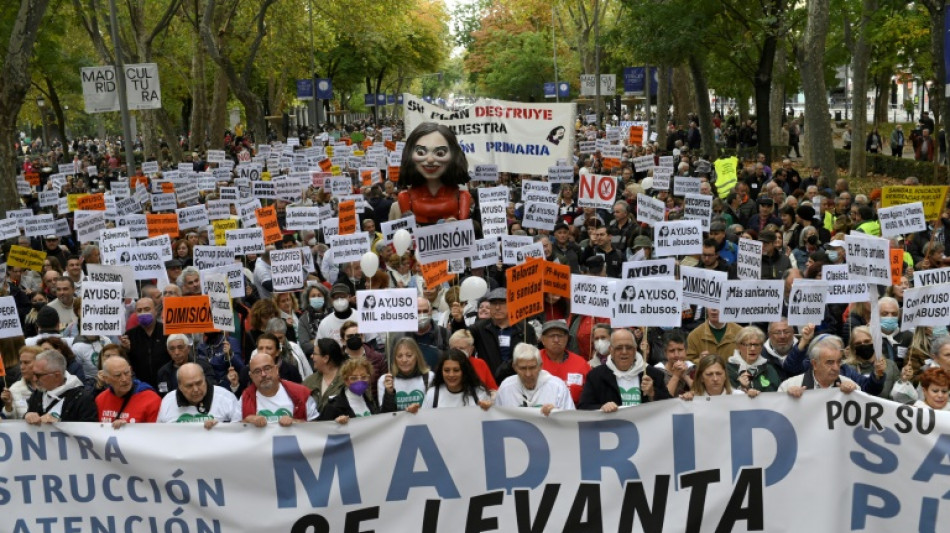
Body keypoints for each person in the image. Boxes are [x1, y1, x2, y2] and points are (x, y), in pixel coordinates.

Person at [394, 122, 472, 224]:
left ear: (453, 155)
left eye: (440, 153)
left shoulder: (462, 195)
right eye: (421, 152)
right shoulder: (404, 196)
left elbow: (465, 228)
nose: (430, 159)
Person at [578, 328, 669, 411]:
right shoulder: (596, 376)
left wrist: (653, 393)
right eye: (619, 348)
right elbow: (583, 408)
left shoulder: (653, 374)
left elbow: (670, 405)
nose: (624, 352)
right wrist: (601, 408)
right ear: (611, 350)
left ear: (635, 349)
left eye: (629, 347)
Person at [468, 287, 538, 383]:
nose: (497, 307)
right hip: (488, 383)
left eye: (502, 303)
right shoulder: (478, 329)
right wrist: (458, 321)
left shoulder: (525, 329)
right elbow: (463, 345)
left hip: (517, 382)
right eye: (493, 303)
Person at [241, 351, 319, 427]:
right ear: (251, 376)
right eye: (257, 371)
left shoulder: (301, 393)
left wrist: (295, 422)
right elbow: (233, 431)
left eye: (267, 368)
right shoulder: (245, 397)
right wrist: (247, 421)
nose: (263, 374)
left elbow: (317, 428)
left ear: (276, 369)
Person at [495, 343, 575, 415]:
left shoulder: (558, 387)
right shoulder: (506, 388)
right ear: (514, 367)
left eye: (532, 368)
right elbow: (496, 419)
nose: (528, 374)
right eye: (522, 368)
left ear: (540, 366)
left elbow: (571, 420)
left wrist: (557, 414)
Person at [24, 349, 98, 424]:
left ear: (57, 375)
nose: (34, 379)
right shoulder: (38, 394)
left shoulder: (82, 399)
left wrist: (60, 423)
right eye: (33, 374)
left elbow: (89, 430)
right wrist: (28, 416)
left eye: (38, 375)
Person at [157, 362, 243, 426]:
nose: (195, 389)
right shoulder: (168, 401)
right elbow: (160, 435)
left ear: (204, 379)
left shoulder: (226, 398)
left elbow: (239, 430)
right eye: (189, 386)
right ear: (180, 386)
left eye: (199, 383)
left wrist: (222, 428)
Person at [778, 335, 859, 396]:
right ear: (815, 364)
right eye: (829, 362)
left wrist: (854, 394)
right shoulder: (790, 385)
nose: (836, 368)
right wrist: (788, 399)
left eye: (838, 362)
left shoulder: (850, 386)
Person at [96, 356, 161, 428]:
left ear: (131, 370)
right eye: (118, 375)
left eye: (127, 373)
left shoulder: (151, 399)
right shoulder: (100, 399)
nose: (124, 379)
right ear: (106, 379)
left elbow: (156, 433)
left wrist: (129, 429)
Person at [120, 297, 169, 389]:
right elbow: (126, 363)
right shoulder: (130, 335)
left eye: (147, 309)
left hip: (165, 383)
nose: (143, 313)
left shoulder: (167, 331)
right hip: (140, 386)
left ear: (155, 311)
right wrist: (125, 350)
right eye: (139, 310)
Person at [538, 319, 589, 406]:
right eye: (551, 336)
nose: (556, 340)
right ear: (543, 340)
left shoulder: (581, 364)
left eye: (560, 336)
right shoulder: (534, 360)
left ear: (567, 338)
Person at [421, 349, 492, 409]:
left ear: (464, 371)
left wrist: (488, 409)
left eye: (456, 370)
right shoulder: (432, 394)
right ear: (441, 372)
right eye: (446, 370)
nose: (451, 375)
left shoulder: (479, 392)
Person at [378, 338, 433, 413]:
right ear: (395, 359)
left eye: (409, 355)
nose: (404, 360)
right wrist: (389, 393)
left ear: (417, 357)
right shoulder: (385, 380)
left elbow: (434, 410)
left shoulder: (430, 377)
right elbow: (385, 416)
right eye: (399, 356)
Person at [318, 357, 379, 423]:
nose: (359, 381)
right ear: (346, 381)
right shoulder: (333, 406)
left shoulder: (370, 401)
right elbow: (322, 428)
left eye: (364, 377)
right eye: (354, 378)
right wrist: (335, 423)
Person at [726, 326, 782, 393]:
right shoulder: (728, 370)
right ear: (738, 346)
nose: (753, 349)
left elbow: (777, 393)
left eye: (756, 345)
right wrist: (741, 388)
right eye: (748, 345)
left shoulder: (769, 369)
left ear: (761, 347)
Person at [681, 354, 760, 400]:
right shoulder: (694, 399)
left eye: (719, 373)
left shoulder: (739, 397)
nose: (715, 379)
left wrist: (754, 399)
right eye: (709, 374)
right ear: (701, 378)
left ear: (725, 375)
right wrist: (685, 402)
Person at [303, 338, 347, 411]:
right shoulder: (309, 382)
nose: (311, 356)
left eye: (314, 354)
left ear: (326, 358)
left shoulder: (347, 379)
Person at [0, 346, 41, 419]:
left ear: (41, 362)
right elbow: (11, 423)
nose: (22, 367)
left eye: (26, 362)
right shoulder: (15, 388)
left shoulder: (53, 386)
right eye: (21, 363)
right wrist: (8, 406)